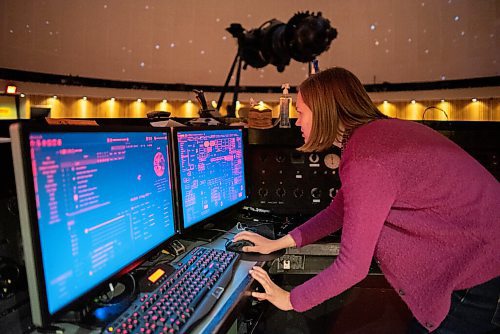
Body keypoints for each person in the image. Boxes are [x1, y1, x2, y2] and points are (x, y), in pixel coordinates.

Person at [233, 67, 500, 333]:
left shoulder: (367, 159)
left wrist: (291, 300)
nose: (297, 122)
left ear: (325, 111)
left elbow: (352, 267)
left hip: (480, 274)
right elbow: (339, 210)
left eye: (301, 112)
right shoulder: (371, 138)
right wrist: (278, 243)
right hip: (477, 262)